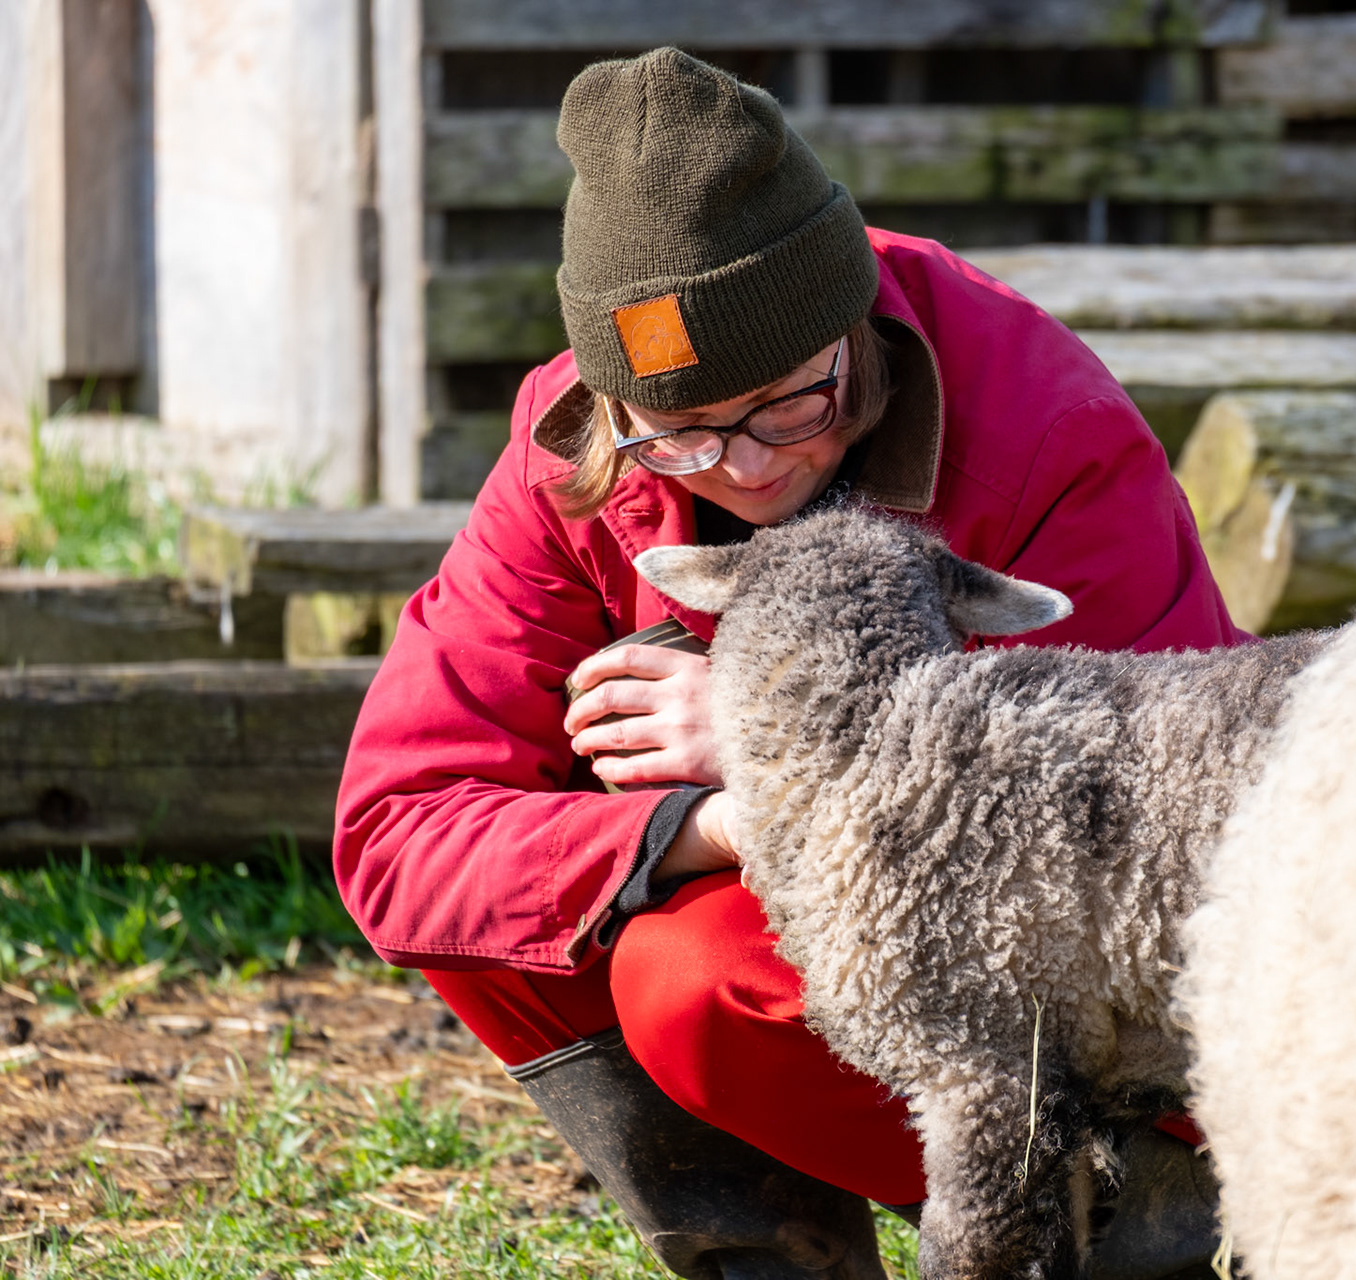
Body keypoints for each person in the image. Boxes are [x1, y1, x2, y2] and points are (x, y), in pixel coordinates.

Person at [334, 48, 1241, 1280]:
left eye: (789, 404)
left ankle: (1141, 1215)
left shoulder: (1046, 431)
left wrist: (791, 735)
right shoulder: (577, 452)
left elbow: (1179, 819)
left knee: (692, 980)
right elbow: (397, 827)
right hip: (806, 891)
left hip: (1094, 1010)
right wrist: (717, 821)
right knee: (540, 915)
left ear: (848, 324)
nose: (744, 466)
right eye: (681, 431)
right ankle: (767, 1253)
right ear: (611, 407)